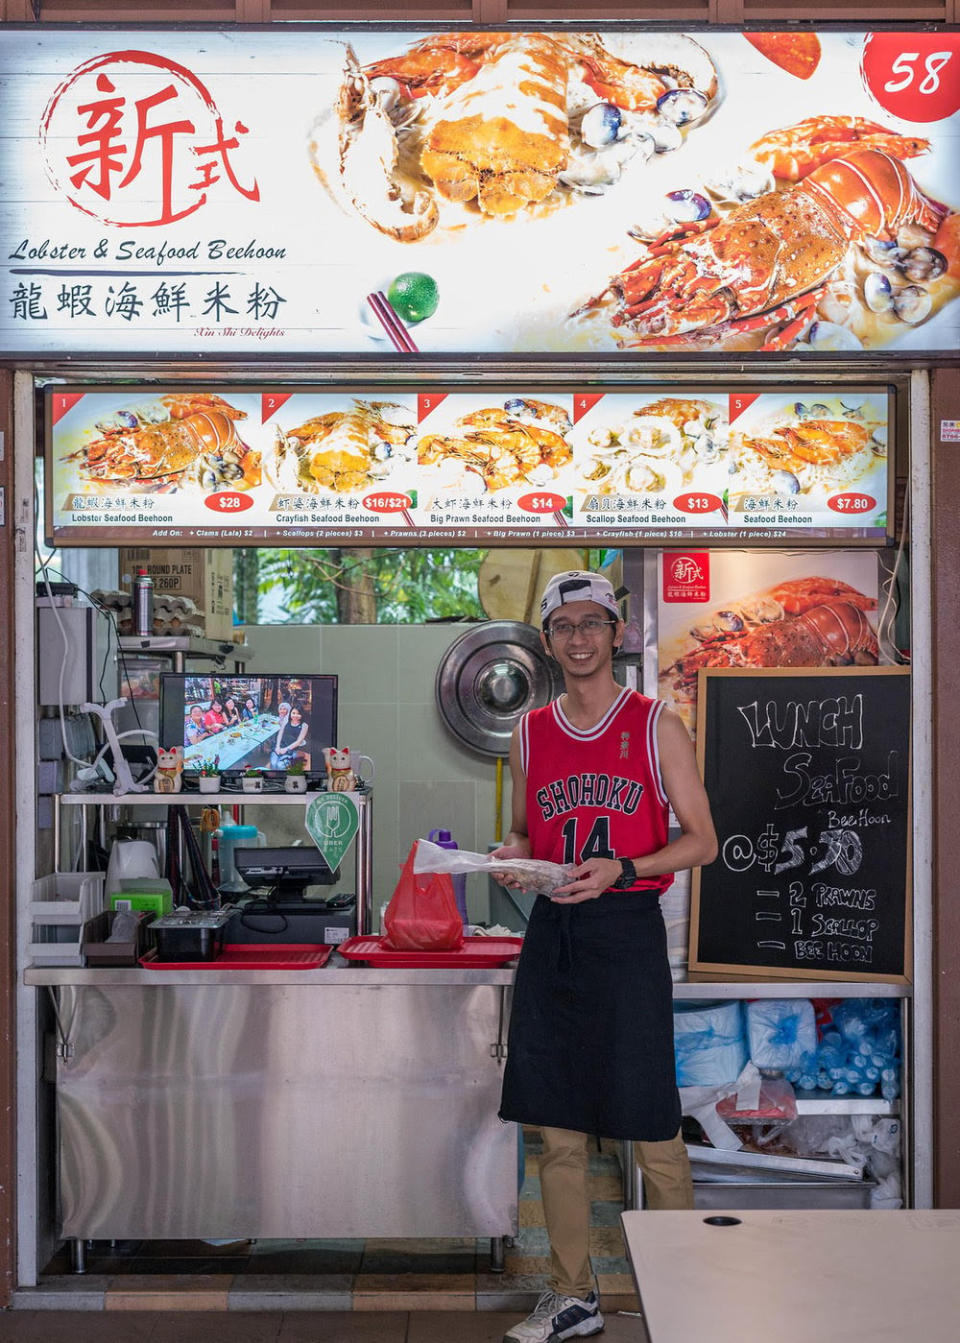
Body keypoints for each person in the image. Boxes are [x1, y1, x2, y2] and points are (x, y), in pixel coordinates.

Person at [494, 570, 717, 1343]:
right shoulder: (527, 732)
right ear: (548, 641)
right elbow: (525, 828)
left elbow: (703, 841)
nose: (580, 637)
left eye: (594, 623)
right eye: (565, 626)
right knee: (555, 1127)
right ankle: (572, 1293)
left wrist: (625, 867)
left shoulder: (657, 725)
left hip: (625, 935)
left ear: (616, 634)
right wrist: (514, 853)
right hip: (554, 934)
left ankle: (684, 1292)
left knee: (652, 1123)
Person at [270, 705, 310, 770]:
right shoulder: (286, 720)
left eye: (298, 714)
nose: (295, 716)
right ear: (290, 713)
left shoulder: (304, 725)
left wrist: (285, 749)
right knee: (273, 764)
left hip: (291, 749)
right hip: (280, 746)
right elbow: (280, 733)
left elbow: (298, 742)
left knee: (280, 766)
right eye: (293, 713)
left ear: (302, 715)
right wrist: (277, 746)